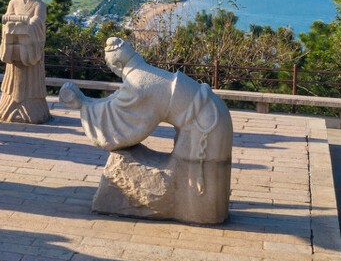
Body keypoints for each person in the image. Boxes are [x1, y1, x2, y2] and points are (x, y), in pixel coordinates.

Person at [59, 37, 233, 224]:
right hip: (211, 112)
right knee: (189, 179)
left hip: (206, 123)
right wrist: (87, 102)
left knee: (193, 187)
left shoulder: (139, 83)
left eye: (111, 67)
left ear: (118, 63)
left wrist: (83, 105)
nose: (112, 71)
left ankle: (202, 214)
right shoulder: (140, 75)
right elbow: (116, 102)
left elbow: (118, 114)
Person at [0, 0, 49, 123]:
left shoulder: (39, 5)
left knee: (31, 83)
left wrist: (26, 24)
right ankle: (9, 106)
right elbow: (7, 20)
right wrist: (15, 22)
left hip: (30, 50)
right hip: (15, 47)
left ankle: (33, 108)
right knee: (12, 80)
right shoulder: (13, 2)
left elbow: (38, 23)